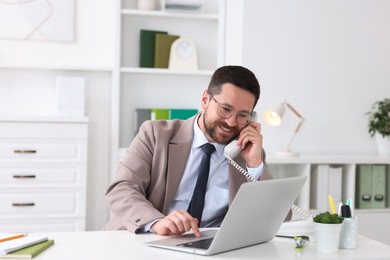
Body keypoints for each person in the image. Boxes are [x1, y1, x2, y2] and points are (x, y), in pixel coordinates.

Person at [104, 65, 291, 236]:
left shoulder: (247, 153)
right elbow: (121, 189)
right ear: (205, 100)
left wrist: (254, 166)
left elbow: (281, 216)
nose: (231, 122)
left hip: (209, 248)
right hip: (146, 238)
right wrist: (156, 222)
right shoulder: (155, 134)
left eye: (242, 115)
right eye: (225, 109)